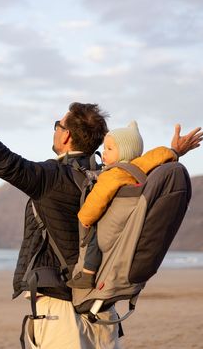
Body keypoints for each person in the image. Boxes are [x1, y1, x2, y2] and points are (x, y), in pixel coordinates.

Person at [0, 82, 203, 349]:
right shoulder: (112, 177)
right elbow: (144, 167)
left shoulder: (51, 178)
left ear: (65, 136)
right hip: (103, 309)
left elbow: (4, 161)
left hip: (59, 310)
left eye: (58, 125)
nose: (55, 130)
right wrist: (174, 152)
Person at [67, 120, 181, 289]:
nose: (104, 153)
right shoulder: (141, 165)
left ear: (125, 152)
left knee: (93, 235)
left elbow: (98, 198)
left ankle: (88, 273)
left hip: (111, 229)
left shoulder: (113, 174)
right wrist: (173, 151)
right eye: (104, 148)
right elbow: (158, 154)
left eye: (110, 149)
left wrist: (85, 218)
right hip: (130, 224)